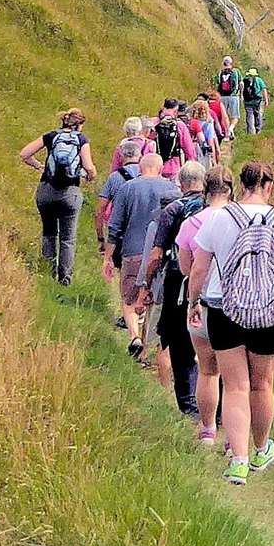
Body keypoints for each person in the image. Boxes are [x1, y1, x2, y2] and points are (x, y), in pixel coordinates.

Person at [188, 161, 274, 485]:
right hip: (268, 313)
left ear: (241, 186)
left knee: (235, 386)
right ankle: (262, 449)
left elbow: (199, 267)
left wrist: (193, 303)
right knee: (262, 385)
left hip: (225, 310)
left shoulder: (220, 218)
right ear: (268, 186)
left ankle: (239, 460)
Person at [142, 161, 207, 417]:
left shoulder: (173, 210)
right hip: (213, 284)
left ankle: (189, 406)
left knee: (179, 344)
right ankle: (219, 408)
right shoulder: (215, 211)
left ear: (181, 183)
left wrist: (147, 284)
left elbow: (157, 254)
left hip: (177, 281)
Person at [107, 152, 181, 361]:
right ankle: (147, 347)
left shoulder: (127, 188)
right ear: (160, 168)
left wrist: (108, 256)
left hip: (132, 250)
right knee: (152, 298)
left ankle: (134, 336)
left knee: (129, 297)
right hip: (162, 253)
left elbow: (115, 225)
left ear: (140, 168)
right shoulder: (171, 189)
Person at [183, 164, 232, 446]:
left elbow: (188, 266)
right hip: (232, 304)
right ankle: (233, 436)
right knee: (236, 378)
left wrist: (192, 301)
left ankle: (207, 429)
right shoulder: (238, 221)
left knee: (207, 369)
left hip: (203, 303)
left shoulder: (192, 223)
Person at [19, 108, 95, 286]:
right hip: (70, 192)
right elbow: (90, 168)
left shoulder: (51, 136)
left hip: (47, 190)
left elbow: (24, 154)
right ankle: (65, 279)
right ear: (80, 125)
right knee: (68, 238)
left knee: (49, 232)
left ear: (63, 121)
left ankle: (48, 271)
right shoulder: (81, 140)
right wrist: (89, 176)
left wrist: (39, 166)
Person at [98, 139, 144, 311]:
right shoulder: (146, 176)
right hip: (143, 232)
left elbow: (100, 209)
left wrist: (101, 238)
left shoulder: (115, 178)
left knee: (124, 272)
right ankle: (139, 306)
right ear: (140, 156)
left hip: (120, 233)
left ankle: (127, 307)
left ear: (121, 156)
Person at [154, 100, 198, 180]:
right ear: (176, 111)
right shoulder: (180, 125)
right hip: (174, 168)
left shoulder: (155, 123)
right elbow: (189, 149)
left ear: (163, 109)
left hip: (156, 168)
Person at [188, 97, 220, 166]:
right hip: (203, 151)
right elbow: (210, 142)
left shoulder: (190, 122)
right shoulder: (208, 123)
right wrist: (213, 159)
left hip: (191, 150)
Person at [241, 68, 269, 135]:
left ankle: (250, 132)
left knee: (249, 115)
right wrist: (266, 100)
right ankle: (258, 129)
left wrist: (241, 97)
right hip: (257, 101)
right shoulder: (259, 80)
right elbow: (264, 89)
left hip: (247, 101)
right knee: (257, 114)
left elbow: (241, 89)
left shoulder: (244, 80)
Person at [216, 57, 241, 127]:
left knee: (224, 115)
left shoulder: (220, 72)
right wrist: (241, 94)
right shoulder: (236, 71)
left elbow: (218, 84)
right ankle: (231, 129)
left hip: (222, 96)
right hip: (233, 96)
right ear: (231, 63)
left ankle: (225, 131)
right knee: (235, 117)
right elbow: (241, 84)